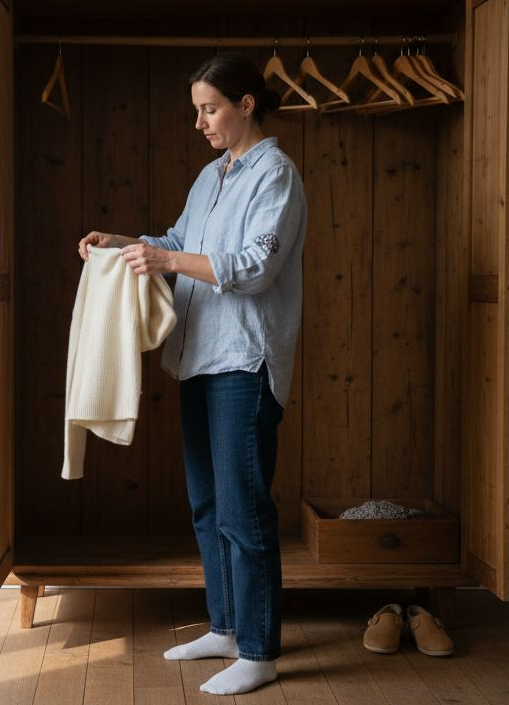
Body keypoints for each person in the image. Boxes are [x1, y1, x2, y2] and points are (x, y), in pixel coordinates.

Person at [77, 51, 307, 696]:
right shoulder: (211, 176)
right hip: (197, 356)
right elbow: (176, 239)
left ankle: (260, 651)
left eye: (210, 109)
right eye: (197, 111)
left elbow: (253, 267)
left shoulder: (277, 175)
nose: (201, 122)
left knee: (244, 508)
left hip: (245, 359)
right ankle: (227, 628)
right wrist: (121, 242)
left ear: (246, 104)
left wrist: (167, 255)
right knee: (207, 504)